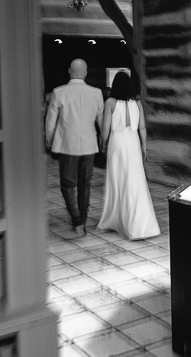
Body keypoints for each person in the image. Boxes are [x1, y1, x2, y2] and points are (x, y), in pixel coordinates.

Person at [97, 71, 161, 240]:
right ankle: (140, 223)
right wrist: (144, 145)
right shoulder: (138, 103)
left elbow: (105, 128)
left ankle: (116, 220)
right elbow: (142, 128)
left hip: (117, 143)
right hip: (133, 143)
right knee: (135, 181)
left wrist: (103, 143)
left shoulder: (110, 102)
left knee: (117, 181)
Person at [45, 58, 104, 235]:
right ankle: (83, 220)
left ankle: (76, 218)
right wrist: (104, 140)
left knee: (67, 184)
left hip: (66, 145)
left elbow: (50, 122)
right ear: (85, 74)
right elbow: (101, 121)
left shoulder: (59, 92)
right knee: (85, 184)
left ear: (69, 71)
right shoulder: (96, 93)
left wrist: (49, 140)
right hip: (89, 144)